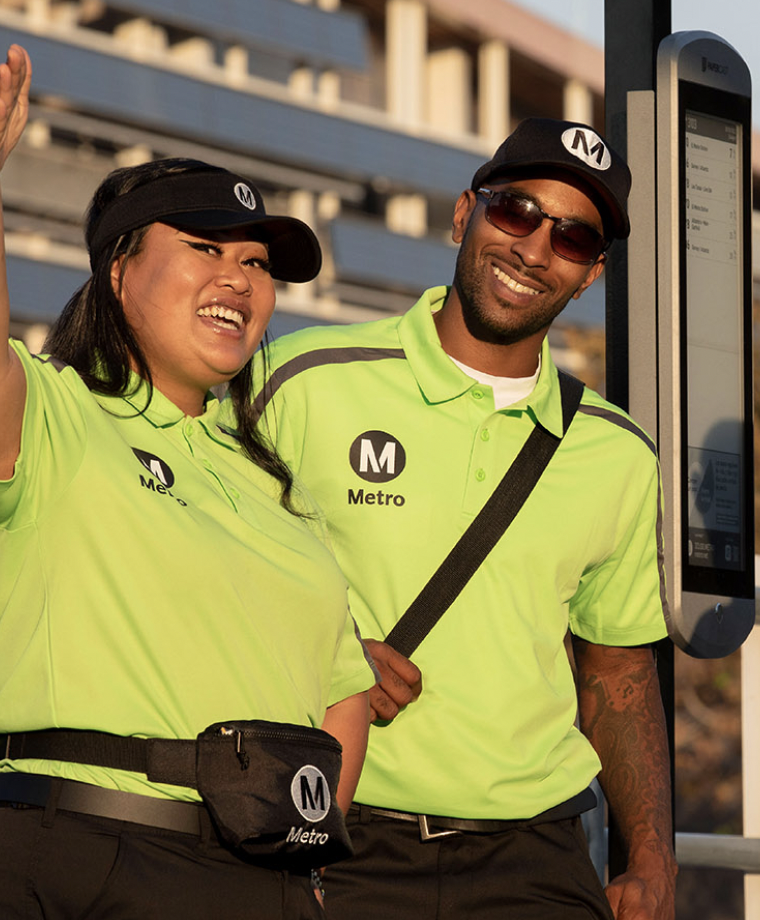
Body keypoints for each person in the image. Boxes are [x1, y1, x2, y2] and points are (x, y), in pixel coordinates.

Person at [0, 46, 373, 919]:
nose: (238, 278)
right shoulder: (55, 418)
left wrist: (309, 855)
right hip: (80, 849)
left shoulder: (277, 487)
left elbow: (342, 688)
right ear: (120, 271)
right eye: (205, 248)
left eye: (257, 264)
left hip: (260, 877)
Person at [246, 118, 676, 919]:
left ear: (591, 275)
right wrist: (325, 657)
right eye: (516, 210)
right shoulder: (302, 381)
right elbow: (204, 574)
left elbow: (618, 672)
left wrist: (654, 859)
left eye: (573, 237)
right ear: (462, 214)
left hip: (538, 856)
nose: (535, 248)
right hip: (336, 833)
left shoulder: (618, 452)